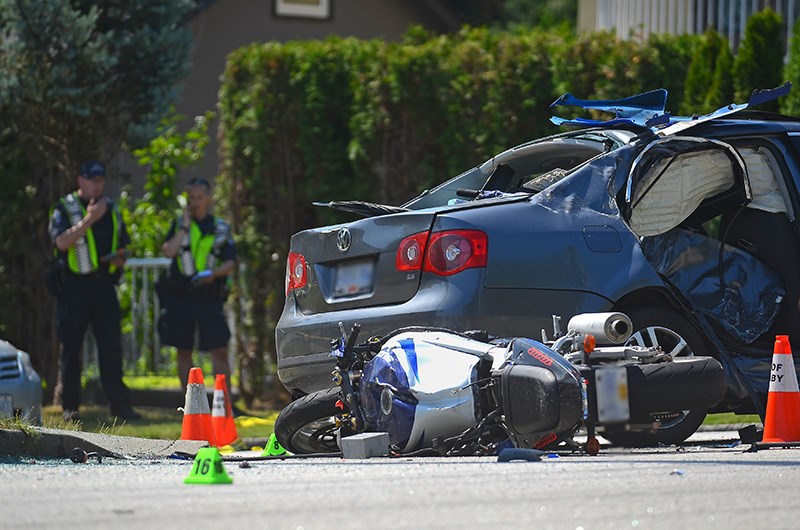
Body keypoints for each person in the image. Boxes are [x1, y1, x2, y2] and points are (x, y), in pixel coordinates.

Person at [48, 160, 141, 421]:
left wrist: (119, 258)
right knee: (71, 349)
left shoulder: (111, 210)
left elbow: (123, 244)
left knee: (111, 347)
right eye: (92, 180)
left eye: (100, 180)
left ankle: (119, 405)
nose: (96, 185)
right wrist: (90, 219)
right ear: (80, 181)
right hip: (73, 288)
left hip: (103, 286)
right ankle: (70, 407)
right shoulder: (64, 208)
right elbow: (62, 242)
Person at [159, 177, 237, 403]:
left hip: (208, 295)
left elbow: (230, 262)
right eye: (191, 198)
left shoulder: (220, 227)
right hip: (180, 297)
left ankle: (226, 404)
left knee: (219, 349)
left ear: (209, 199)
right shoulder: (179, 225)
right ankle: (190, 405)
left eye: (199, 198)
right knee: (183, 350)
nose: (195, 202)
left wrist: (213, 274)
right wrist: (184, 226)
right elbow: (169, 252)